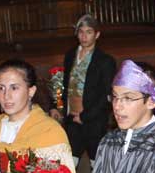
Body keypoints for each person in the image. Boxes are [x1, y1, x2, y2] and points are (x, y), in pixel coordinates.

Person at [50, 14, 117, 164]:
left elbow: (107, 95)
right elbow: (65, 85)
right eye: (81, 32)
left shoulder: (105, 61)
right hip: (71, 119)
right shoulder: (70, 55)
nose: (84, 36)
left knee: (97, 163)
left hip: (94, 121)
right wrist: (57, 107)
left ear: (97, 35)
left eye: (89, 32)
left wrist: (85, 116)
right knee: (69, 163)